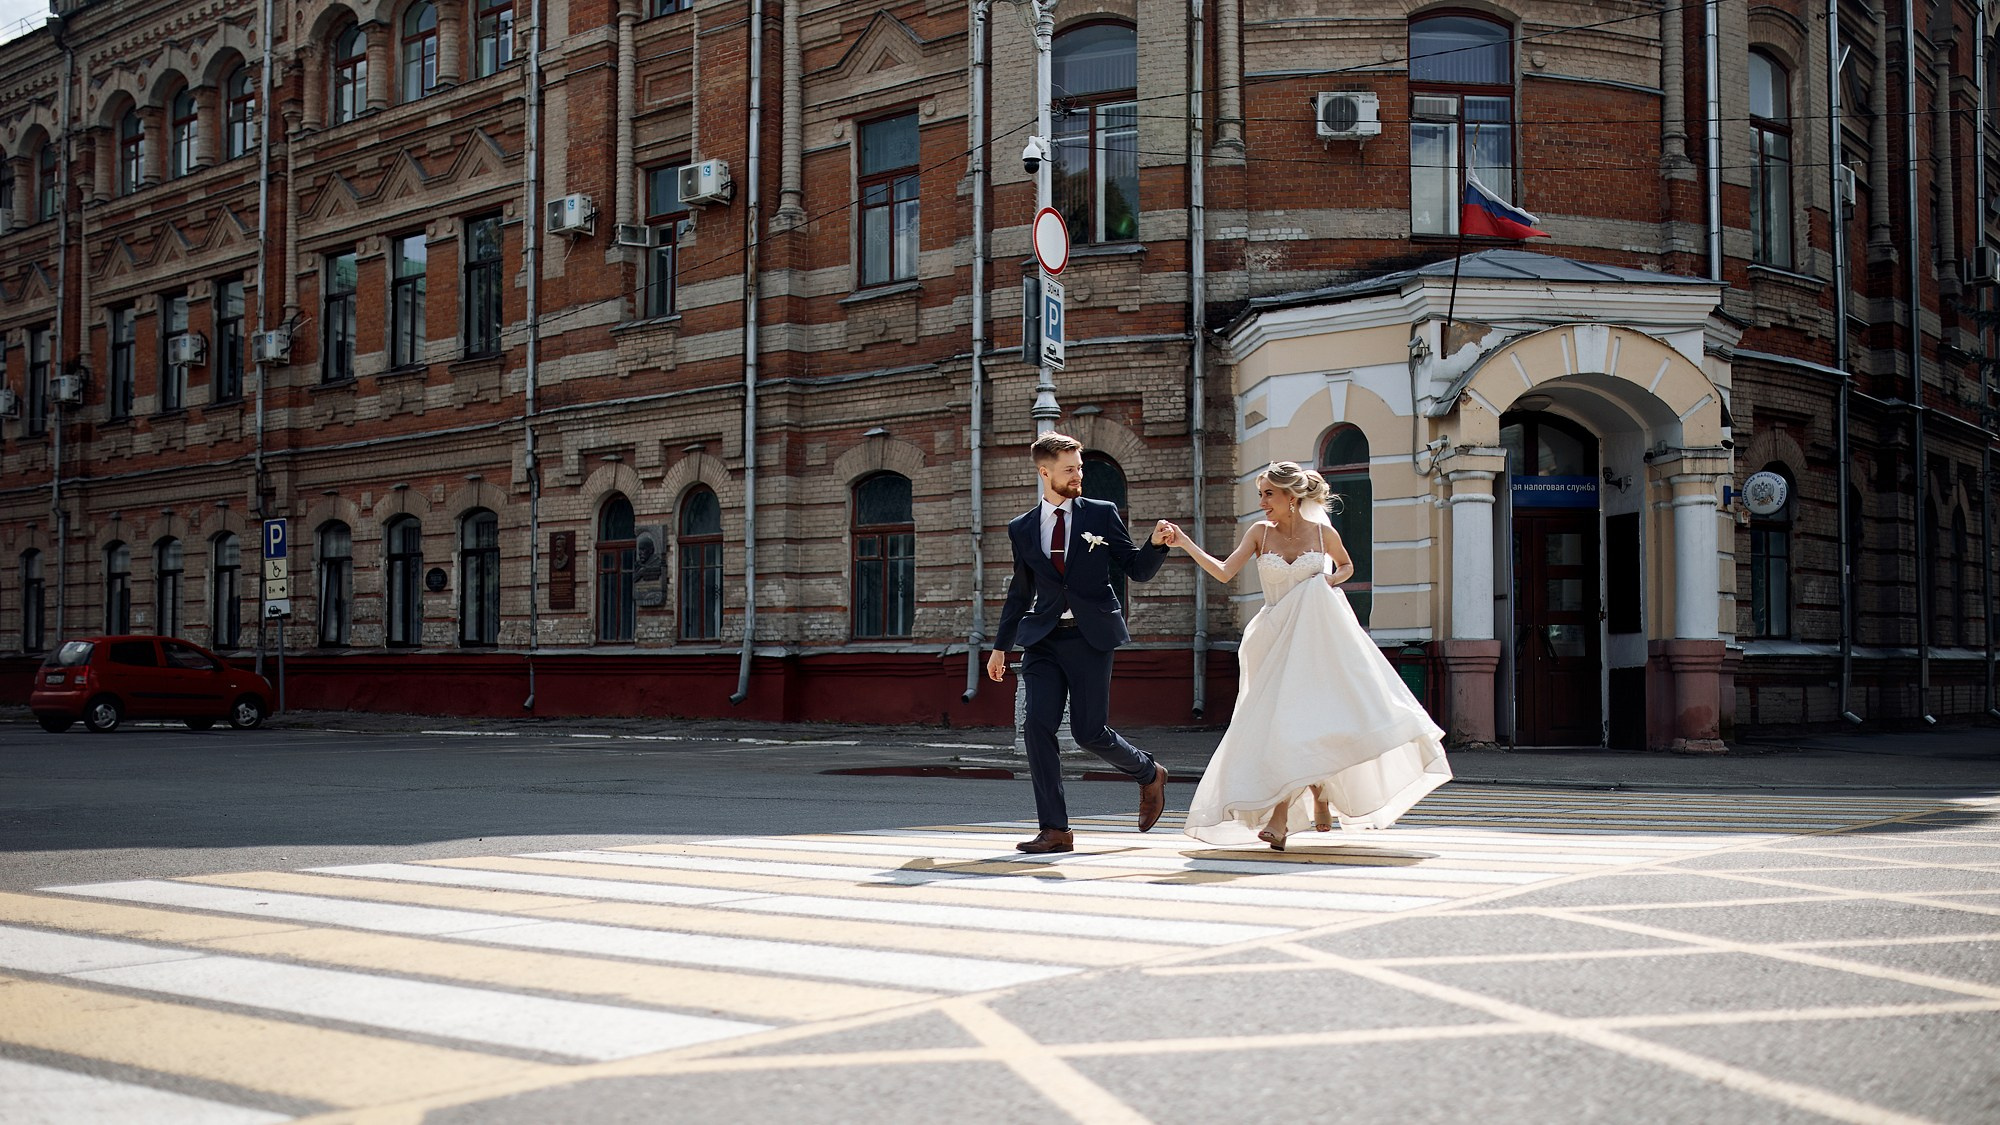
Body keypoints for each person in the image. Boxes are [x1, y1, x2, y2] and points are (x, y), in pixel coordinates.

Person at [1159, 461, 1450, 849]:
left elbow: (1347, 566)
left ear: (1291, 497)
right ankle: (1319, 791)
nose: (1261, 501)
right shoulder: (1259, 533)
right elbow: (1225, 571)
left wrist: (1327, 581)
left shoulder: (1321, 531)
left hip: (1316, 641)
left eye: (1268, 494)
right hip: (1273, 640)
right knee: (1282, 727)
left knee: (1301, 724)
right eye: (1260, 493)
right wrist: (1185, 543)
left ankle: (1281, 818)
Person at [987, 432, 1173, 854]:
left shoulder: (1101, 514)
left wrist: (1155, 545)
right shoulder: (1021, 528)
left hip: (1090, 638)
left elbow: (1135, 569)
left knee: (1089, 732)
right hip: (1042, 640)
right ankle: (1055, 829)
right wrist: (1001, 646)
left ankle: (1149, 773)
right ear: (1045, 472)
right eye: (1070, 469)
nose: (1078, 475)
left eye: (1080, 467)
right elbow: (1020, 592)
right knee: (1037, 727)